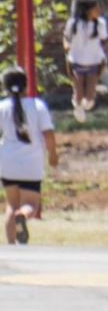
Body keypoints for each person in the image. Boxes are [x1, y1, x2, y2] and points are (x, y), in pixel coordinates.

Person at [1, 68, 59, 246]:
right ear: (26, 85)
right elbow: (48, 134)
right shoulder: (38, 106)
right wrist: (53, 154)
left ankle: (11, 247)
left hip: (7, 162)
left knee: (11, 205)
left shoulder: (2, 107)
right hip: (31, 163)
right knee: (31, 205)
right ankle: (23, 216)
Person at [64, 0, 108, 123]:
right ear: (88, 9)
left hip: (94, 62)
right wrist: (66, 45)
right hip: (77, 61)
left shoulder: (100, 24)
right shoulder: (73, 23)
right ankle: (78, 108)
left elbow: (104, 40)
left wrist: (106, 52)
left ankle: (85, 106)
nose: (100, 10)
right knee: (78, 93)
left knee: (89, 98)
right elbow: (66, 37)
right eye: (97, 7)